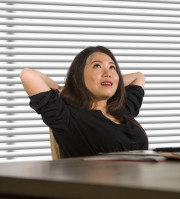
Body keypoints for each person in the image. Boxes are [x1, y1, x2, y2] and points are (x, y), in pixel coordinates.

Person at [20, 46, 148, 158]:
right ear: (78, 76)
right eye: (97, 65)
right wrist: (70, 87)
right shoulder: (66, 116)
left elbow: (138, 77)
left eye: (112, 67)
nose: (108, 73)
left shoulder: (122, 110)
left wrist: (113, 83)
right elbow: (28, 75)